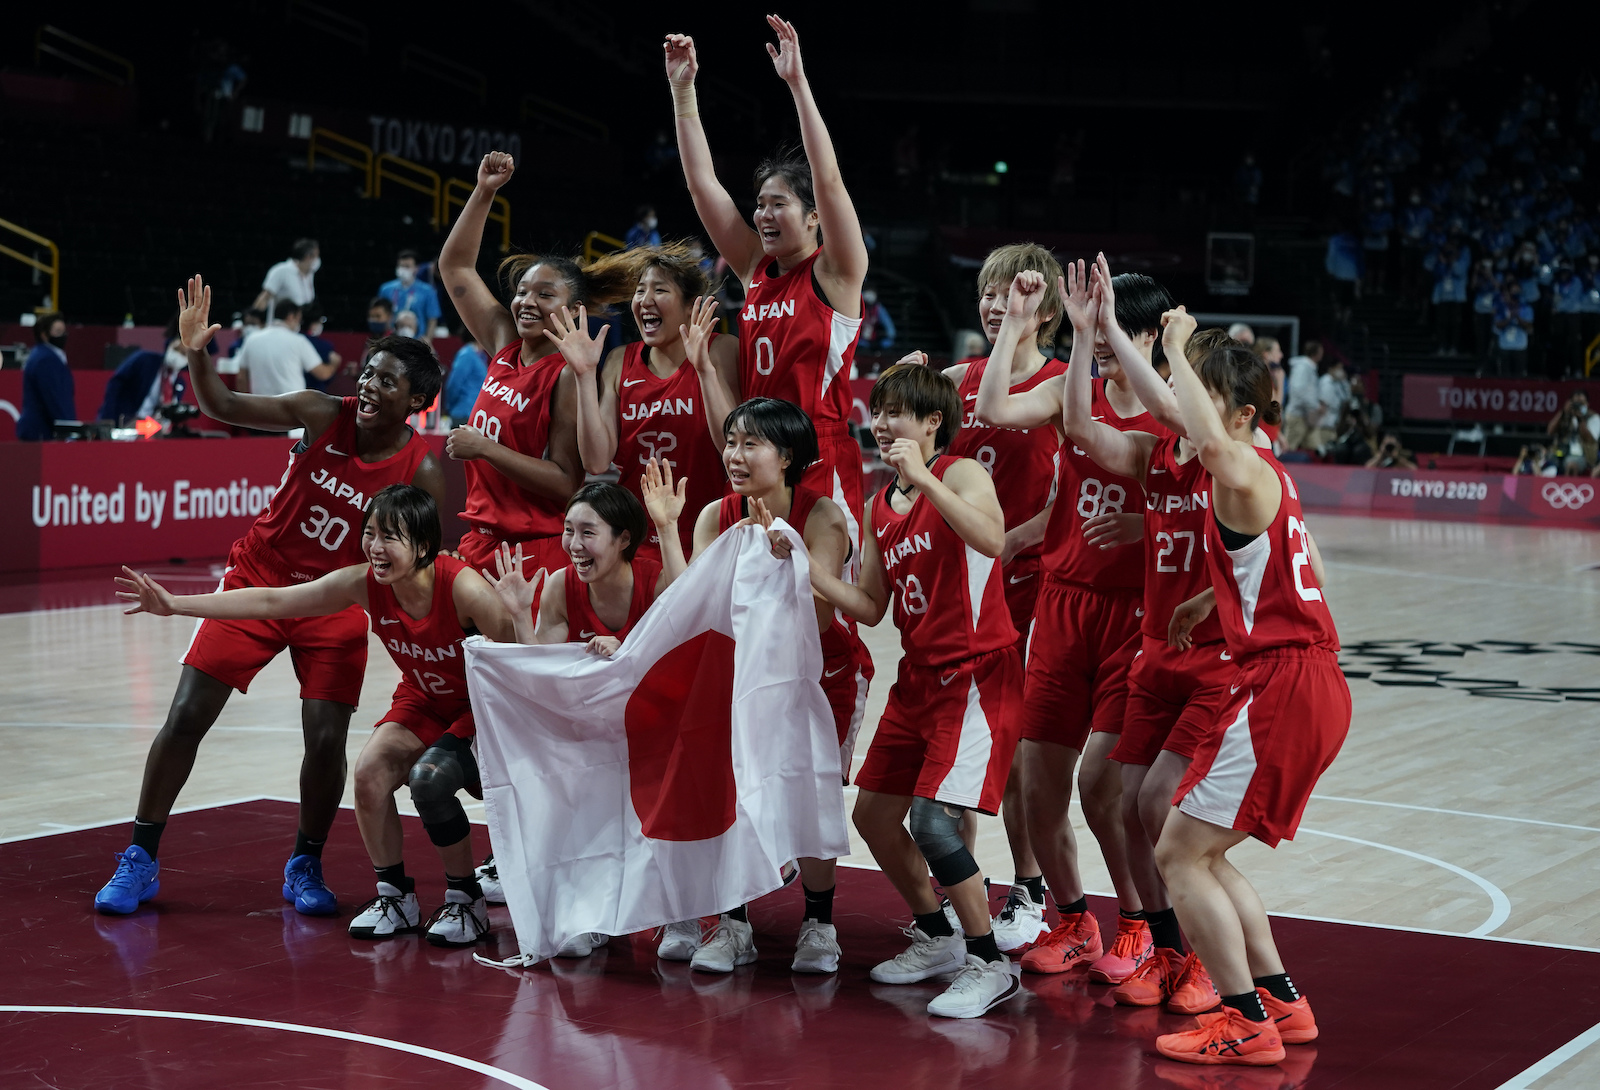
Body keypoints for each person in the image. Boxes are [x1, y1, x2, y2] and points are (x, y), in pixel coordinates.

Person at [93, 275, 446, 918]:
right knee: (189, 713)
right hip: (260, 574)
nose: (368, 385)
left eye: (387, 380)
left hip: (335, 600)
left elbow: (422, 558)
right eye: (367, 373)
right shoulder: (320, 411)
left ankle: (304, 862)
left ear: (417, 399)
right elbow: (221, 406)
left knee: (324, 737)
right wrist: (198, 352)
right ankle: (140, 857)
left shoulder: (421, 470)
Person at [115, 485, 521, 946]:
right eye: (370, 533)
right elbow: (273, 602)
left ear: (424, 545)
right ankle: (396, 898)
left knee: (428, 779)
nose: (375, 547)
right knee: (368, 775)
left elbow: (523, 660)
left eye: (390, 536)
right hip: (423, 700)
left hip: (479, 707)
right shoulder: (363, 581)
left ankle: (465, 900)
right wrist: (174, 605)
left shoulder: (464, 588)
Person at [1148, 322, 1348, 1069]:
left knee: (1179, 854)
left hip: (1283, 683)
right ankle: (1282, 1002)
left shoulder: (1235, 461)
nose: (1183, 404)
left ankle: (1243, 1021)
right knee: (1205, 851)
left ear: (1239, 416)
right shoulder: (1270, 471)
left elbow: (1209, 442)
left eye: (1200, 395)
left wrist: (1175, 349)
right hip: (1305, 677)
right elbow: (1312, 574)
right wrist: (1215, 598)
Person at [973, 260, 1173, 986]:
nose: (1110, 340)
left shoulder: (1176, 413)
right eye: (1100, 324)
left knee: (1103, 787)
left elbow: (1215, 516)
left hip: (1134, 615)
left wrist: (1146, 526)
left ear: (1151, 335)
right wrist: (1020, 327)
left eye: (1122, 327)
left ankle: (1141, 926)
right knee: (1035, 783)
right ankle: (1071, 917)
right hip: (1062, 602)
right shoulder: (1072, 390)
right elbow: (995, 407)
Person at [807, 364, 1022, 1019]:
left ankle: (990, 963)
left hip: (978, 675)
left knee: (932, 822)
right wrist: (808, 570)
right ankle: (937, 936)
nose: (882, 424)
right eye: (877, 412)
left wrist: (926, 475)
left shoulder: (959, 474)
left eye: (897, 412)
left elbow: (993, 540)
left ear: (933, 423)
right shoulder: (879, 504)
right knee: (872, 817)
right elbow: (871, 605)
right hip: (919, 679)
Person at [904, 242, 1067, 953]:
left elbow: (1084, 479)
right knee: (957, 752)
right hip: (962, 592)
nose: (994, 304)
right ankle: (963, 890)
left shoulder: (1066, 381)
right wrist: (903, 393)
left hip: (1035, 586)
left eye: (1009, 292)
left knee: (1025, 754)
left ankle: (1029, 889)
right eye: (987, 292)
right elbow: (908, 460)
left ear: (1047, 308)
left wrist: (1029, 531)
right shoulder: (953, 379)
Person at [677, 398, 872, 975]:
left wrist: (777, 559)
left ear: (786, 457)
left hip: (822, 673)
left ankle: (819, 922)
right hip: (743, 671)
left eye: (750, 444)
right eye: (731, 442)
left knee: (811, 793)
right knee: (726, 790)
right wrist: (669, 526)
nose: (734, 455)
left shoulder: (823, 518)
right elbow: (691, 605)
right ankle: (733, 925)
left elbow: (814, 621)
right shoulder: (716, 514)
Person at [665, 16, 870, 557]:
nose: (763, 214)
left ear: (812, 219)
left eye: (779, 203)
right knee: (757, 604)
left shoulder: (837, 272)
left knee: (823, 613)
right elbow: (700, 182)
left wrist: (797, 85)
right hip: (756, 454)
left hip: (819, 456)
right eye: (759, 204)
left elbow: (828, 180)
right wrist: (683, 91)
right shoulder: (755, 266)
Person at [474, 472, 688, 941]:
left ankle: (681, 913)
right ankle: (592, 908)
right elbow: (541, 678)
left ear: (623, 538)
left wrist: (628, 650)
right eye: (569, 530)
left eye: (587, 532)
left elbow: (685, 640)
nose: (573, 543)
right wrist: (517, 616)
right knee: (562, 777)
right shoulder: (559, 587)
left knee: (662, 797)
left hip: (660, 728)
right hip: (599, 732)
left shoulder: (655, 579)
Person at [438, 150, 631, 585]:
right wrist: (484, 191)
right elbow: (455, 266)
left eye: (545, 295)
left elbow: (567, 481)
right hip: (482, 538)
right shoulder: (505, 342)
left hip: (531, 549)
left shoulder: (565, 374)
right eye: (523, 291)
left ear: (573, 309)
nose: (527, 301)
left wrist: (485, 448)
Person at [546, 243, 740, 561]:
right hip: (638, 540)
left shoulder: (722, 350)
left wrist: (704, 369)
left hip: (710, 537)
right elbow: (596, 461)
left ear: (692, 306)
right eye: (639, 290)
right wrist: (583, 375)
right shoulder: (619, 361)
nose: (644, 300)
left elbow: (730, 448)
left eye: (659, 289)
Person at [236, 301, 339, 400]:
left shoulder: (251, 339)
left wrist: (246, 405)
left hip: (262, 406)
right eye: (298, 318)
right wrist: (334, 363)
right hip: (292, 406)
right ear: (291, 317)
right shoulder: (298, 341)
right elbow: (322, 374)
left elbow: (241, 378)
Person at [18, 313, 75, 440]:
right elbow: (54, 397)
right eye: (58, 331)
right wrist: (69, 430)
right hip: (41, 431)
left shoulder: (44, 355)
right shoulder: (45, 359)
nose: (63, 335)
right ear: (44, 335)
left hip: (40, 429)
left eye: (64, 331)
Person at [378, 250, 442, 342]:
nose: (403, 269)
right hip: (391, 339)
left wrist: (427, 340)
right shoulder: (385, 289)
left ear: (416, 268)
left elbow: (432, 319)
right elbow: (381, 315)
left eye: (407, 266)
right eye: (401, 266)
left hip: (417, 340)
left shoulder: (428, 291)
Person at [254, 238, 320, 315]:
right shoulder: (281, 271)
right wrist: (256, 322)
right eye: (317, 255)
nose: (318, 260)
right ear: (308, 257)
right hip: (280, 325)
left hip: (300, 324)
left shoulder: (310, 273)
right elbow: (263, 299)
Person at [1279, 342, 1323, 452]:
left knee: (1314, 447)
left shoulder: (1310, 368)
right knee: (1287, 449)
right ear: (1316, 353)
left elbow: (1309, 391)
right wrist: (1315, 406)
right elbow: (1298, 391)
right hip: (1297, 415)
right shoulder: (1303, 368)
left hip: (1307, 415)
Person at [443, 331, 489, 427]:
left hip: (476, 413)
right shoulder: (466, 355)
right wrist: (451, 406)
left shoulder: (481, 356)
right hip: (463, 413)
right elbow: (454, 384)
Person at [860, 285, 896, 351]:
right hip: (860, 342)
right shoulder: (858, 307)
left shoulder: (879, 309)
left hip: (875, 342)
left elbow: (891, 331)